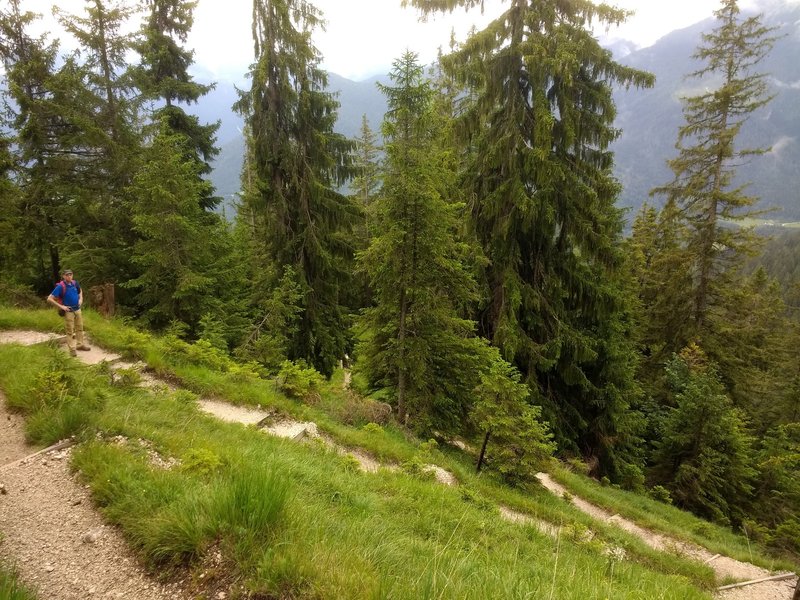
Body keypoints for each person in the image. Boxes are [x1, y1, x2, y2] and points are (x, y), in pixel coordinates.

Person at [47, 268, 91, 357]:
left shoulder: (75, 283)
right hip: (68, 311)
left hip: (77, 309)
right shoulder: (61, 286)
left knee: (80, 328)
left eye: (70, 274)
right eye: (67, 275)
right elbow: (49, 298)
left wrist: (81, 299)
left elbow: (80, 290)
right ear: (63, 276)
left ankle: (80, 345)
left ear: (72, 275)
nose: (69, 276)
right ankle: (72, 349)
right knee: (70, 331)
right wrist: (61, 306)